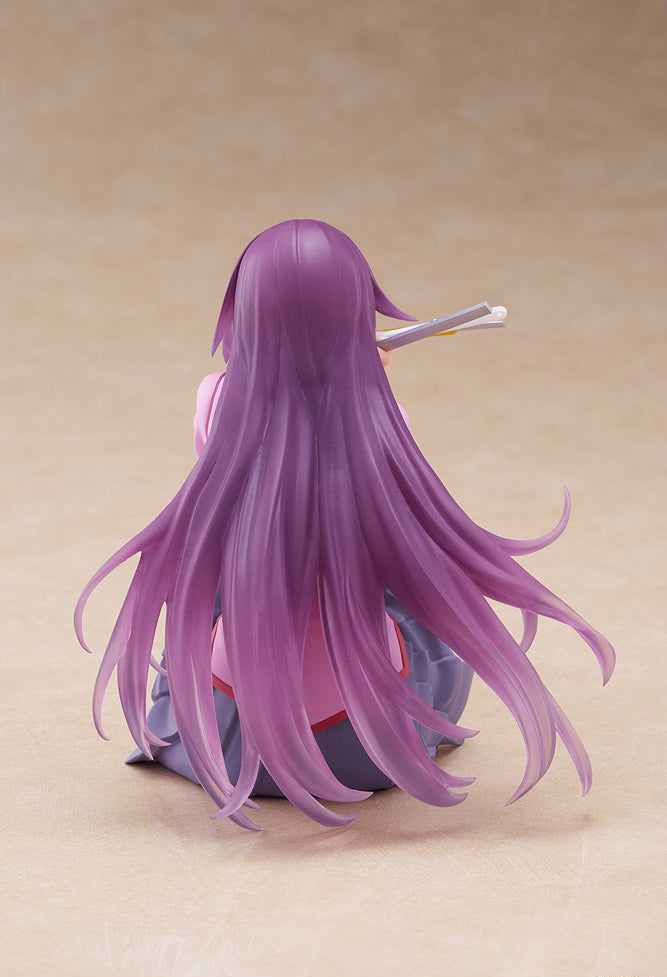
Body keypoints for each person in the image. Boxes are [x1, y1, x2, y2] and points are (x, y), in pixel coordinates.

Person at [75, 220, 614, 831]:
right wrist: (364, 378)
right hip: (371, 749)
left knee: (217, 588)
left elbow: (247, 411)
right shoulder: (387, 420)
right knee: (418, 606)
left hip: (226, 745)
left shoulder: (216, 403)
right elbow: (356, 462)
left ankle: (180, 730)